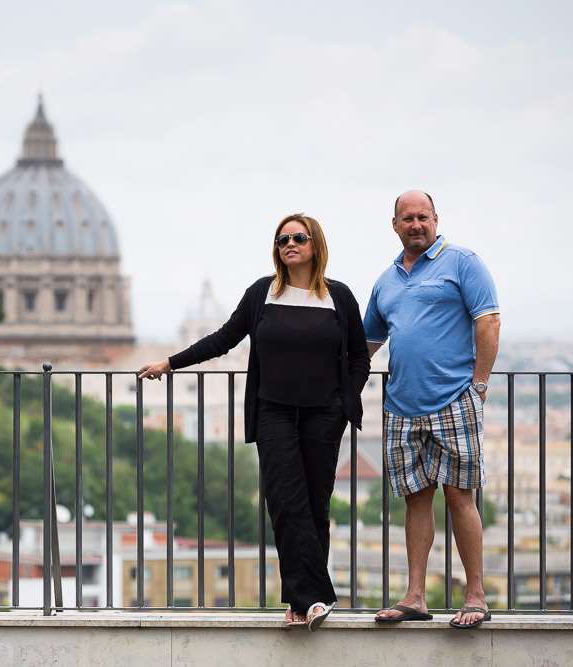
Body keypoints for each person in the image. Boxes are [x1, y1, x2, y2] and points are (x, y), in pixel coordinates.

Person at [139, 213, 370, 632]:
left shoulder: (339, 296)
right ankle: (317, 596)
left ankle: (301, 605)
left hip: (324, 415)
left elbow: (359, 356)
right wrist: (170, 364)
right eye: (282, 239)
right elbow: (224, 339)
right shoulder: (262, 293)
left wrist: (347, 400)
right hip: (273, 410)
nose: (289, 244)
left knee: (315, 505)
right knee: (285, 501)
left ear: (315, 244)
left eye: (298, 237)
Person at [364, 190, 500, 629]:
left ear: (436, 219)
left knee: (460, 495)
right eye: (408, 218)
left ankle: (475, 595)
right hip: (402, 405)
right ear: (395, 224)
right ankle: (415, 597)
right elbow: (368, 341)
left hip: (453, 400)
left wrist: (478, 386)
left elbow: (489, 320)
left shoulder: (463, 262)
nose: (416, 224)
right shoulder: (385, 280)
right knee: (415, 498)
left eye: (423, 217)